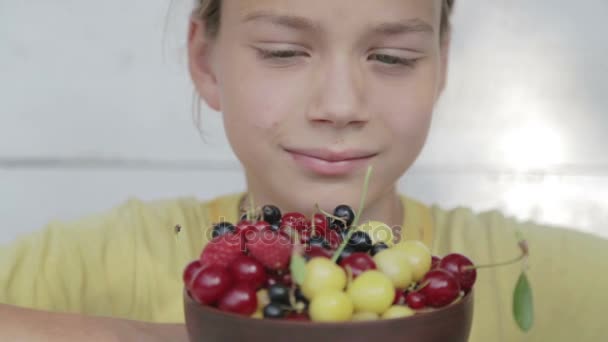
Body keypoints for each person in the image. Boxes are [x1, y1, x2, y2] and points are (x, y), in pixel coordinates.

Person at [1, 0, 607, 341]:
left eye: (393, 57)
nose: (340, 106)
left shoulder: (561, 274)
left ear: (441, 66)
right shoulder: (94, 262)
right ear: (204, 59)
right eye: (284, 52)